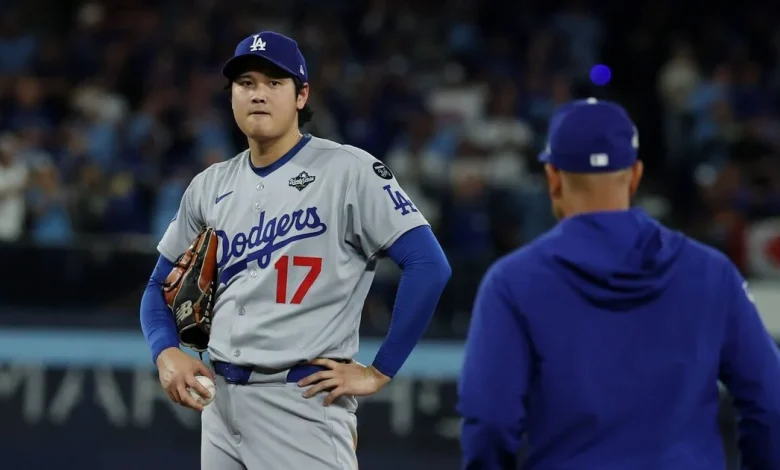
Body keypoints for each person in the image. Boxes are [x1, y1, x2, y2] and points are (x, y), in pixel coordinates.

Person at [140, 31, 451, 470]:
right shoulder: (209, 186)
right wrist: (165, 350)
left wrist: (379, 371)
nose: (258, 94)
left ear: (302, 95)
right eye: (246, 83)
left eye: (275, 83)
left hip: (301, 402)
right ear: (231, 95)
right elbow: (157, 287)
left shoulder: (349, 170)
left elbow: (428, 265)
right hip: (220, 401)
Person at [457, 98, 780, 470]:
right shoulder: (711, 272)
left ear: (554, 178)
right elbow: (769, 403)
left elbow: (491, 423)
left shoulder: (512, 282)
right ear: (636, 175)